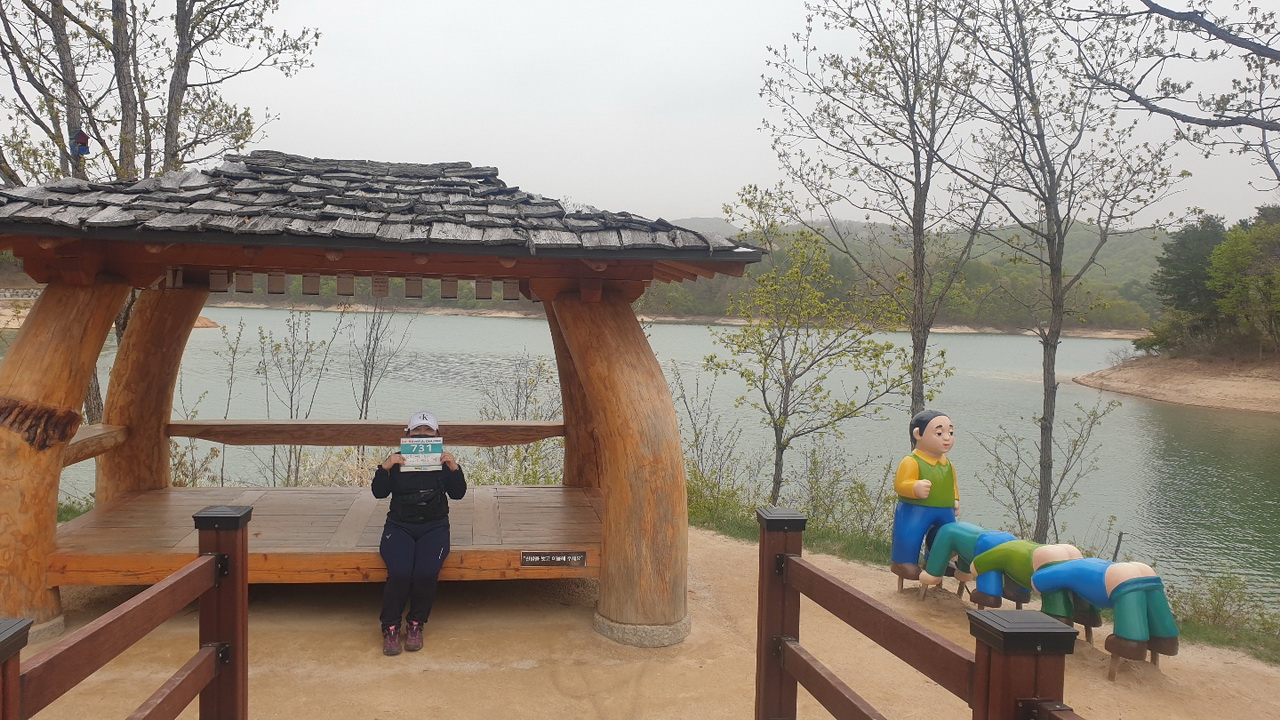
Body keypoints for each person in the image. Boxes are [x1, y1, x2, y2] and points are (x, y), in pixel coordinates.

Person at [371, 410, 466, 656]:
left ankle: (416, 623)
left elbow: (458, 494)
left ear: (437, 434)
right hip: (399, 525)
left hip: (434, 526)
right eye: (417, 430)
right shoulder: (397, 460)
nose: (422, 434)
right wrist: (384, 467)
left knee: (425, 573)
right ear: (408, 434)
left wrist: (454, 468)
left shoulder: (443, 461)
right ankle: (390, 627)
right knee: (400, 573)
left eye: (428, 430)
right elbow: (379, 493)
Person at [890, 410, 960, 583]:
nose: (947, 438)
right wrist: (914, 487)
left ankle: (936, 562)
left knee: (947, 536)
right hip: (915, 509)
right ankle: (903, 561)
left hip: (945, 509)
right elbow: (900, 484)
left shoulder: (948, 464)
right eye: (939, 433)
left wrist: (955, 499)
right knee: (910, 534)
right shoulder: (912, 461)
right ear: (918, 434)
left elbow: (953, 484)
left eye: (950, 433)